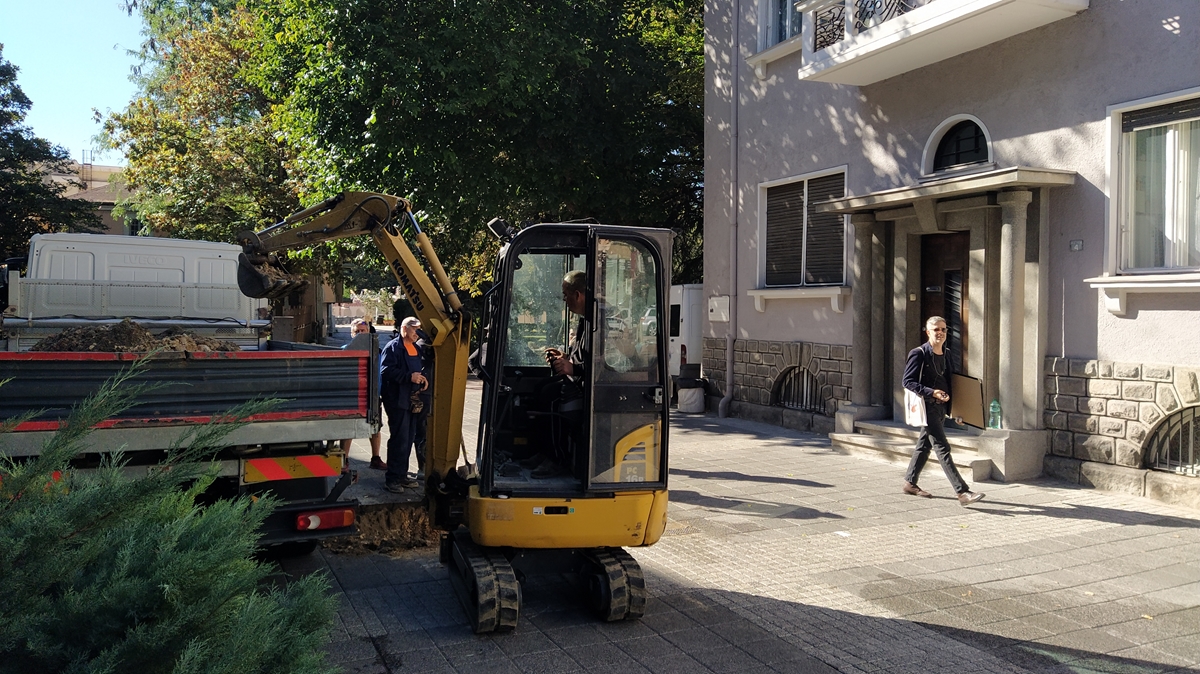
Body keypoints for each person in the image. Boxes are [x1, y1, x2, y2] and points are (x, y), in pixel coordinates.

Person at [902, 316, 985, 506]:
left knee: (924, 446)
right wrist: (932, 392)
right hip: (927, 407)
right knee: (942, 447)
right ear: (928, 332)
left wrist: (958, 410)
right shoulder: (919, 354)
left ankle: (909, 482)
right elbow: (907, 381)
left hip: (941, 408)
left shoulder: (946, 354)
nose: (940, 332)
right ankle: (962, 492)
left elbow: (952, 382)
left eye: (943, 329)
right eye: (936, 329)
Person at [379, 316, 431, 493]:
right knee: (399, 439)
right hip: (397, 400)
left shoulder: (416, 348)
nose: (418, 332)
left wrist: (421, 379)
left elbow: (416, 370)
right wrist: (409, 377)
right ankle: (392, 479)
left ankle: (402, 475)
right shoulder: (393, 348)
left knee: (409, 438)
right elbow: (386, 371)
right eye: (415, 329)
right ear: (404, 328)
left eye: (419, 329)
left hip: (412, 399)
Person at [341, 319, 385, 470]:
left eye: (363, 331)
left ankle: (376, 458)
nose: (360, 334)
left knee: (376, 428)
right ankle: (344, 460)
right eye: (357, 331)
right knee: (348, 428)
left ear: (368, 333)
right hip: (353, 397)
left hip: (373, 397)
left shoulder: (377, 351)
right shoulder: (345, 351)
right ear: (352, 334)